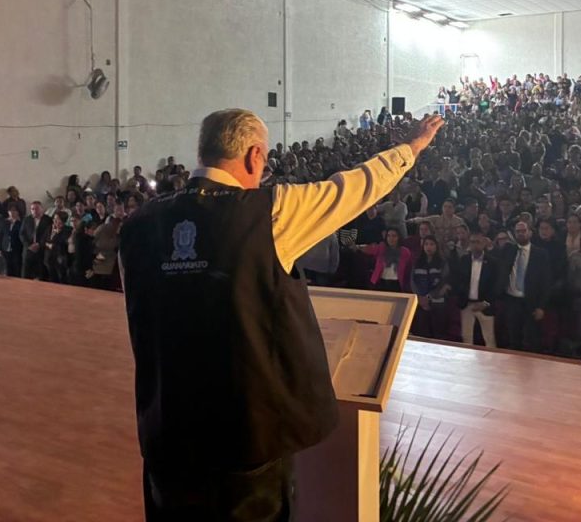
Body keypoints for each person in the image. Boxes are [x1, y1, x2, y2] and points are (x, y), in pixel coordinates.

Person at [120, 108, 443, 521]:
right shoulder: (270, 211)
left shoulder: (138, 224)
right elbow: (353, 188)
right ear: (254, 155)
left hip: (168, 434)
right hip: (247, 438)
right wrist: (411, 148)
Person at [494, 220, 551, 352]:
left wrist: (541, 306)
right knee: (513, 338)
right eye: (518, 231)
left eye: (523, 231)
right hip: (512, 300)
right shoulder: (508, 250)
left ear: (530, 232)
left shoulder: (540, 254)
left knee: (533, 339)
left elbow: (546, 282)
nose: (520, 233)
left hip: (531, 301)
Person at [450, 231, 496, 347]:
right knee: (466, 337)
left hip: (485, 304)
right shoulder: (463, 260)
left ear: (484, 243)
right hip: (467, 304)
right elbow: (458, 280)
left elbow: (495, 286)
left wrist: (486, 302)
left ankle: (491, 359)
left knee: (489, 338)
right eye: (472, 242)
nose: (475, 245)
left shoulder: (492, 262)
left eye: (478, 242)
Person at [366, 227, 413, 292]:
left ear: (399, 237)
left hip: (397, 284)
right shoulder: (381, 247)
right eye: (388, 236)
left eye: (394, 236)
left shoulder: (405, 252)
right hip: (380, 282)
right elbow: (368, 250)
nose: (391, 238)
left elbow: (408, 269)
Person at [20, 201, 51, 280]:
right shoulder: (27, 219)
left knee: (41, 275)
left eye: (36, 208)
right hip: (28, 250)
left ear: (42, 209)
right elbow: (22, 234)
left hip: (41, 251)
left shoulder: (48, 220)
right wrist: (29, 245)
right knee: (26, 274)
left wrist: (39, 244)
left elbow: (48, 235)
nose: (34, 211)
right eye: (32, 209)